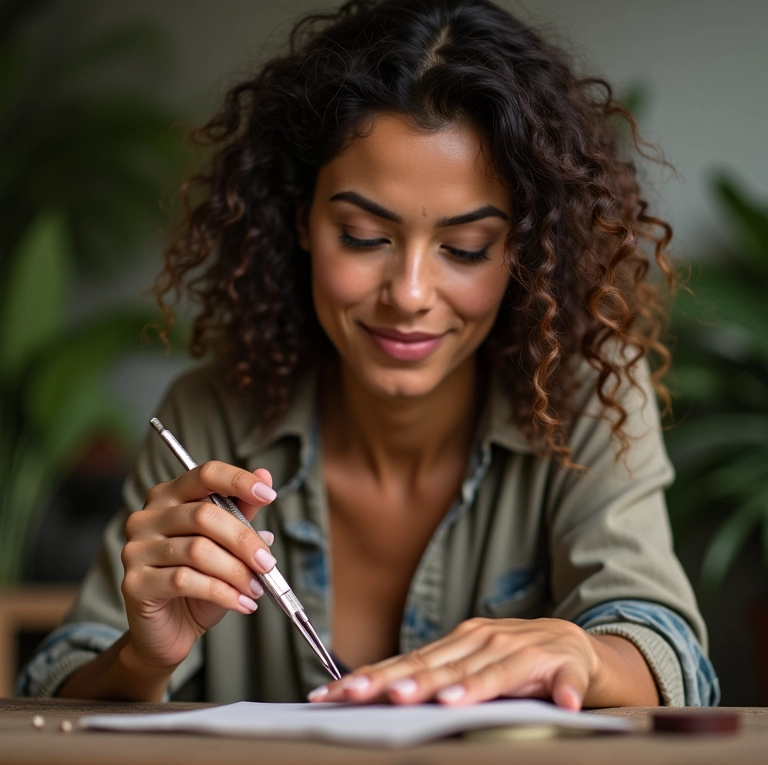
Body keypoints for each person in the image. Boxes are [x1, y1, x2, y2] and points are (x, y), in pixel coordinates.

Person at [18, 0, 719, 709]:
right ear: (301, 220)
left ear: (521, 254)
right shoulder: (211, 416)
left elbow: (666, 653)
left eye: (467, 249)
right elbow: (56, 690)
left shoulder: (587, 399)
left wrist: (585, 655)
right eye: (362, 235)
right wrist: (144, 656)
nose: (410, 294)